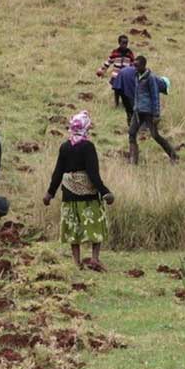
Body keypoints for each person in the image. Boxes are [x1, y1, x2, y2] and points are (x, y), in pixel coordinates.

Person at [43, 111, 114, 270]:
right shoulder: (88, 147)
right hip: (88, 195)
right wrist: (105, 192)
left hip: (69, 195)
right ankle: (95, 258)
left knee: (73, 228)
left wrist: (50, 193)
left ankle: (76, 262)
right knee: (95, 225)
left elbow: (58, 172)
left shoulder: (65, 147)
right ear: (86, 128)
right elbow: (93, 173)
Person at [128, 56, 179, 164]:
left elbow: (155, 96)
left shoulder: (150, 78)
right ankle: (133, 160)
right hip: (138, 111)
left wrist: (156, 114)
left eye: (137, 65)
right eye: (134, 65)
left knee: (155, 135)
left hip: (149, 112)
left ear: (143, 65)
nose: (135, 67)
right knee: (132, 133)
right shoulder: (136, 76)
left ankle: (173, 155)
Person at [97, 35, 135, 111]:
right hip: (116, 75)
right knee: (116, 90)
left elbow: (133, 64)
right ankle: (116, 104)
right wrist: (102, 70)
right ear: (119, 43)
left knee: (125, 91)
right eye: (123, 43)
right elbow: (108, 62)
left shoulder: (129, 53)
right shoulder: (115, 52)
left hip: (125, 76)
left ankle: (126, 105)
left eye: (126, 43)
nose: (125, 45)